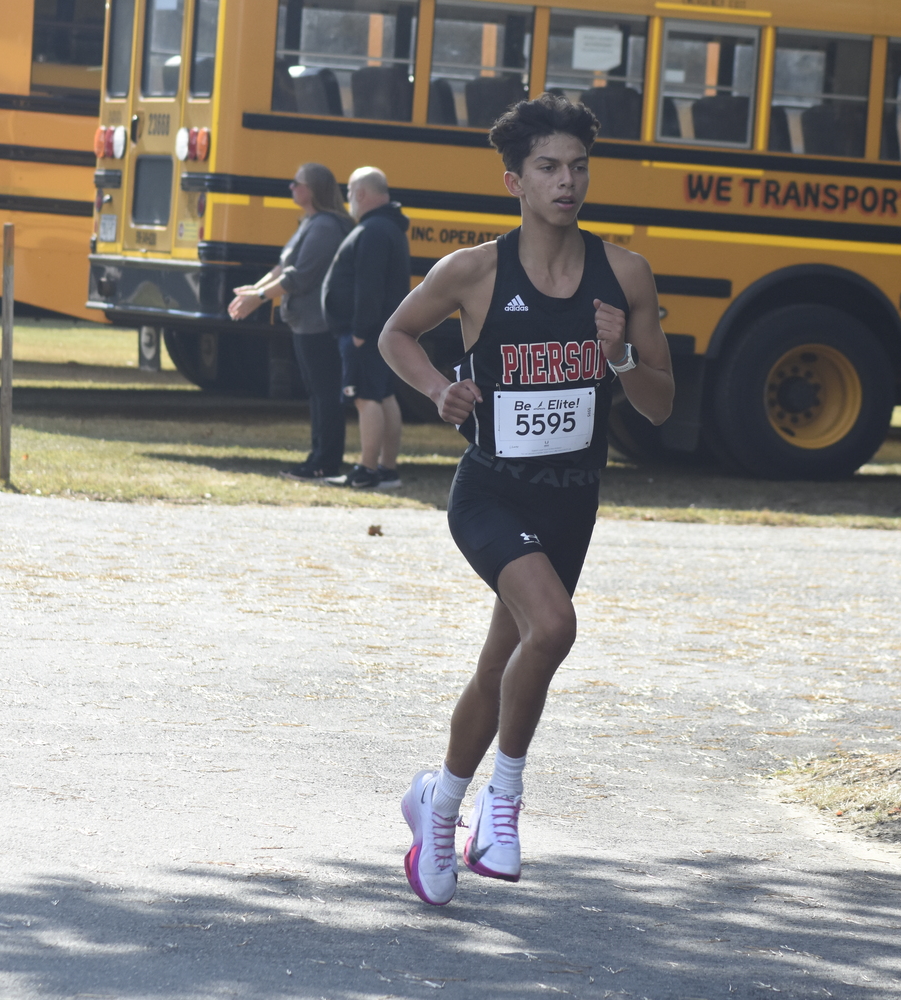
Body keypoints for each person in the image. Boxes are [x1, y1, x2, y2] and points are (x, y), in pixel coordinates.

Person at [378, 94, 674, 905]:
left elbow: (660, 404)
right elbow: (394, 334)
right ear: (514, 178)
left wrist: (616, 360)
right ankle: (501, 803)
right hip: (491, 492)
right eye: (548, 167)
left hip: (572, 502)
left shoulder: (627, 276)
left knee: (499, 666)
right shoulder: (474, 271)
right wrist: (441, 389)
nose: (566, 182)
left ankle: (436, 803)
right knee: (554, 626)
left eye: (578, 167)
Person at [228, 163, 353, 481]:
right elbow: (283, 266)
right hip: (304, 323)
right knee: (316, 393)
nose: (291, 188)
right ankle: (317, 457)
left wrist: (260, 298)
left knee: (325, 394)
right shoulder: (311, 221)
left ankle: (326, 462)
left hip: (319, 324)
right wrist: (255, 289)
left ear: (312, 189)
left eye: (296, 183)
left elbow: (300, 276)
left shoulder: (325, 225)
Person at [321, 166, 411, 489]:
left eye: (349, 194)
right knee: (384, 395)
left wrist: (359, 332)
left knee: (365, 398)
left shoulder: (373, 230)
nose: (348, 201)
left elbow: (368, 286)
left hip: (366, 334)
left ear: (360, 193)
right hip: (380, 332)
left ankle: (367, 470)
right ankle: (387, 469)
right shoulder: (388, 227)